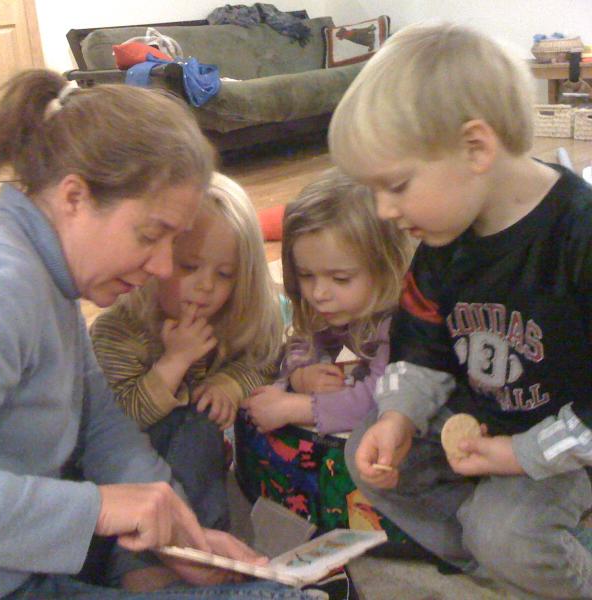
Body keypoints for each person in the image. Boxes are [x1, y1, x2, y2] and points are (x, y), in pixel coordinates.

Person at [0, 69, 324, 600]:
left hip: (4, 566)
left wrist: (181, 534)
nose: (162, 265)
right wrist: (101, 508)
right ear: (74, 197)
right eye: (151, 235)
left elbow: (101, 424)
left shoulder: (45, 278)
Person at [327, 22, 592, 599]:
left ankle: (544, 560)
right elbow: (422, 346)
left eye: (396, 185)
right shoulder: (442, 244)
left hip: (566, 443)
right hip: (482, 424)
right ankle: (490, 557)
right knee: (367, 453)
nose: (383, 210)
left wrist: (521, 455)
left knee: (509, 536)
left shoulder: (578, 236)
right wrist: (398, 417)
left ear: (476, 148)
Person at [90, 173, 283, 587]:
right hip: (127, 476)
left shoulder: (233, 319)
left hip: (194, 468)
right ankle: (144, 567)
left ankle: (202, 547)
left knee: (199, 428)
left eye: (225, 274)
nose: (206, 286)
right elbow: (115, 423)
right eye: (189, 267)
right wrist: (173, 363)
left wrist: (231, 383)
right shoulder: (119, 330)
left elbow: (266, 357)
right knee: (190, 427)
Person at [242, 168, 412, 435]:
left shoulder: (402, 322)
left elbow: (383, 400)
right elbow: (303, 339)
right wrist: (300, 374)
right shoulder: (343, 304)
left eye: (340, 278)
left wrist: (294, 407)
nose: (319, 293)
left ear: (387, 267)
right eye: (306, 275)